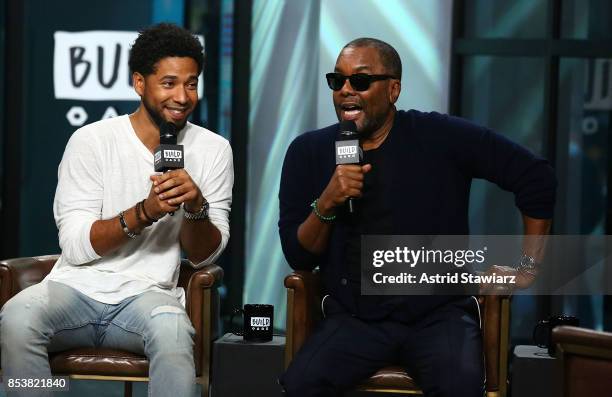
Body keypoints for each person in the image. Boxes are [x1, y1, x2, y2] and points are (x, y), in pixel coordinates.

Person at [278, 37, 556, 396]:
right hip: (355, 318)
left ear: (393, 89)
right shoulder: (309, 152)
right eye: (337, 80)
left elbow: (536, 178)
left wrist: (527, 269)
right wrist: (327, 203)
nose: (346, 90)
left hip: (439, 314)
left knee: (459, 384)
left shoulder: (440, 137)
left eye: (360, 81)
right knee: (301, 383)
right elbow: (299, 255)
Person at [0, 23, 233, 397]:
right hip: (75, 289)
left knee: (174, 337)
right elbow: (76, 246)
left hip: (149, 294)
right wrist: (145, 211)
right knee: (16, 318)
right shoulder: (92, 140)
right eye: (169, 83)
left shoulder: (214, 149)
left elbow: (205, 255)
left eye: (191, 84)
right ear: (140, 83)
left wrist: (195, 206)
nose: (183, 96)